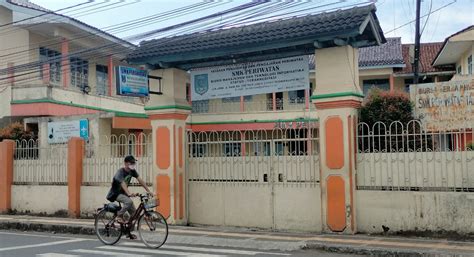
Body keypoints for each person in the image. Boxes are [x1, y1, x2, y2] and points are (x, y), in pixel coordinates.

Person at [106, 155, 153, 238]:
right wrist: (128, 193)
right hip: (115, 194)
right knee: (129, 201)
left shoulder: (132, 171)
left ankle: (128, 233)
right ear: (125, 163)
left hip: (123, 194)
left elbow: (140, 180)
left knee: (134, 215)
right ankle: (119, 216)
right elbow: (122, 183)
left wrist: (148, 191)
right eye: (131, 163)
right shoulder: (120, 172)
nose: (133, 164)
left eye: (133, 163)